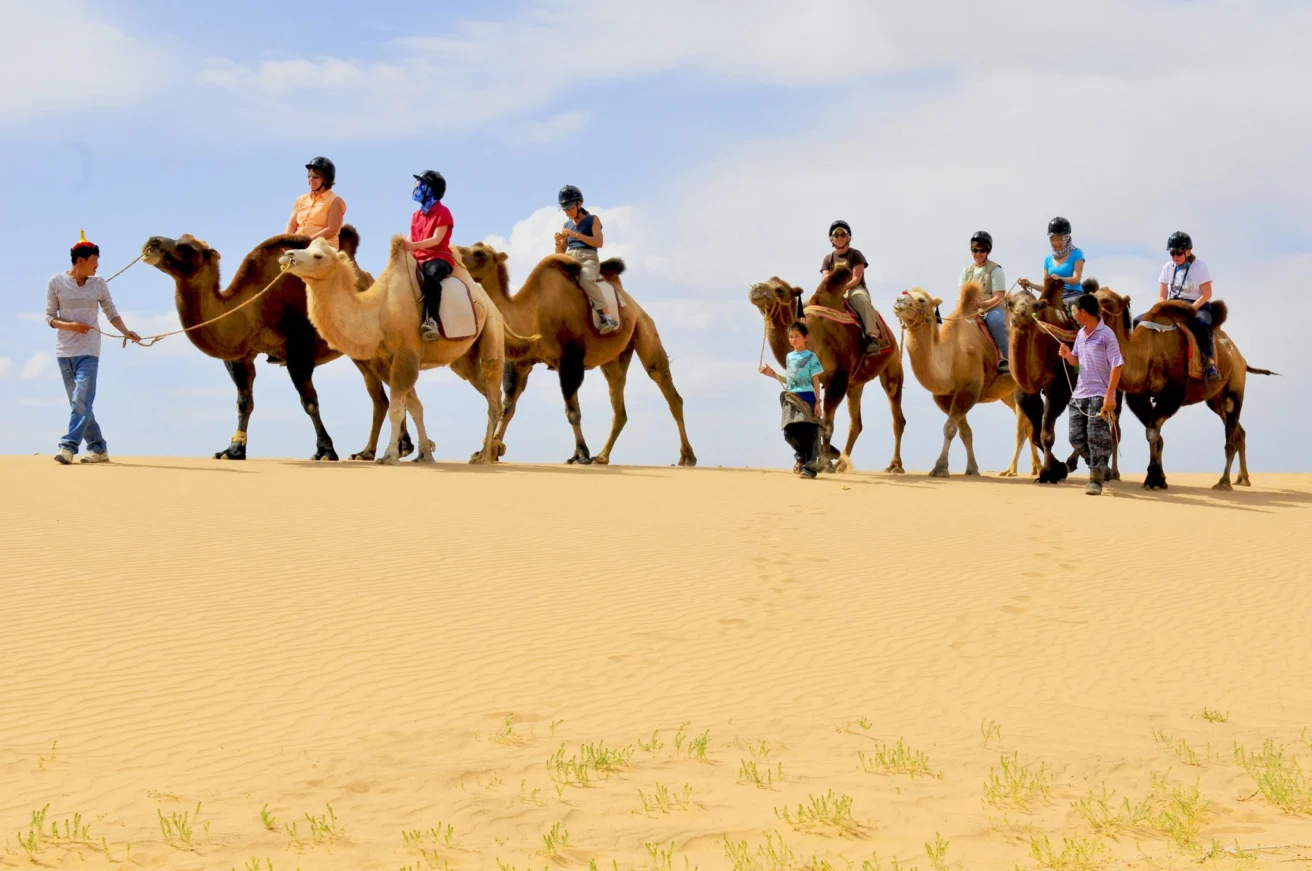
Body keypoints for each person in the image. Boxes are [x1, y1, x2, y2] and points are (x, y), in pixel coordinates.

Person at [44, 230, 141, 464]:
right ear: (81, 261)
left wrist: (126, 331)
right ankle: (98, 448)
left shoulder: (98, 284)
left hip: (89, 352)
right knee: (80, 403)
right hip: (64, 352)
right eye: (95, 261)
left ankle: (68, 447)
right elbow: (49, 318)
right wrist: (71, 326)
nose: (97, 266)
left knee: (81, 401)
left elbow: (111, 312)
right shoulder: (55, 282)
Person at [1058, 294, 1123, 495]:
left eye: (1074, 310)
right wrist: (1068, 355)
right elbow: (1076, 361)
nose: (1073, 313)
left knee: (1097, 437)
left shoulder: (1107, 335)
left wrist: (1110, 395)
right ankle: (1101, 465)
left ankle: (1096, 479)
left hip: (1099, 395)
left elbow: (1117, 365)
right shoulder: (1080, 334)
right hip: (1079, 395)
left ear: (1083, 312)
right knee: (1075, 438)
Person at [759, 321, 825, 479]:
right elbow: (789, 381)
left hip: (807, 396)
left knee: (808, 432)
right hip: (791, 397)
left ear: (806, 337)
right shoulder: (789, 357)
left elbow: (816, 380)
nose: (793, 339)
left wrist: (817, 402)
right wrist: (772, 374)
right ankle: (801, 458)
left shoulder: (811, 357)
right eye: (791, 337)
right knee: (789, 432)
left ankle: (809, 468)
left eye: (797, 336)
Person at [1154, 231, 1220, 382]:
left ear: (1188, 251)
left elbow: (1207, 294)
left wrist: (1191, 309)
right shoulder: (1167, 267)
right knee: (1141, 321)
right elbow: (1162, 295)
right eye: (1172, 253)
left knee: (1202, 324)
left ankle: (1209, 364)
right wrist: (1161, 309)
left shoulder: (1200, 267)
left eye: (1178, 253)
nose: (1175, 257)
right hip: (1172, 304)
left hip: (1197, 304)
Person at [554, 185, 619, 334]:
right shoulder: (566, 225)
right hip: (569, 259)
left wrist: (576, 235)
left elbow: (599, 243)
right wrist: (558, 241)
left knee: (585, 279)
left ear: (579, 204)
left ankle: (606, 316)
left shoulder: (592, 220)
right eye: (565, 209)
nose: (567, 212)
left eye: (570, 208)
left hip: (588, 258)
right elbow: (560, 252)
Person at [407, 170, 456, 342]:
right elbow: (410, 238)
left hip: (438, 257)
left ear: (431, 189)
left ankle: (432, 320)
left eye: (420, 184)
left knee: (431, 279)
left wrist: (411, 246)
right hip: (417, 258)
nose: (416, 187)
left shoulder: (443, 212)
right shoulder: (416, 216)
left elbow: (436, 240)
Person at [820, 220, 881, 354]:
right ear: (832, 239)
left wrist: (842, 288)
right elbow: (825, 278)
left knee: (862, 300)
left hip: (854, 289)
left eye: (843, 234)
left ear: (849, 238)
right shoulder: (827, 259)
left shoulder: (856, 255)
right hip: (833, 292)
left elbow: (856, 279)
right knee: (809, 306)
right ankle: (805, 337)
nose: (839, 237)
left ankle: (872, 338)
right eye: (836, 235)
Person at [961, 230, 1009, 372]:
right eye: (975, 250)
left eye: (982, 250)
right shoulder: (966, 272)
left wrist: (980, 305)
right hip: (970, 312)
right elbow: (961, 296)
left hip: (992, 308)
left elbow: (998, 297)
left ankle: (1006, 358)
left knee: (994, 321)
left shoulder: (995, 270)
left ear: (988, 251)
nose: (978, 254)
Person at [1019, 216, 1086, 313]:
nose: (1054, 242)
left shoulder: (1077, 254)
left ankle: (1083, 328)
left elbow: (1076, 279)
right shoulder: (1048, 259)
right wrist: (1029, 284)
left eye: (1058, 238)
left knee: (1074, 311)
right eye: (1052, 239)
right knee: (1033, 315)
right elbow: (1046, 287)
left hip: (1072, 295)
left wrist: (1059, 279)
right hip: (1051, 297)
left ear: (1066, 238)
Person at [285, 156, 345, 249]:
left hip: (322, 249)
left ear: (326, 179)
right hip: (299, 249)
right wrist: (285, 241)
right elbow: (291, 224)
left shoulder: (335, 201)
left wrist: (307, 242)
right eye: (309, 176)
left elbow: (331, 230)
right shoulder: (301, 199)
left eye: (315, 177)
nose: (311, 180)